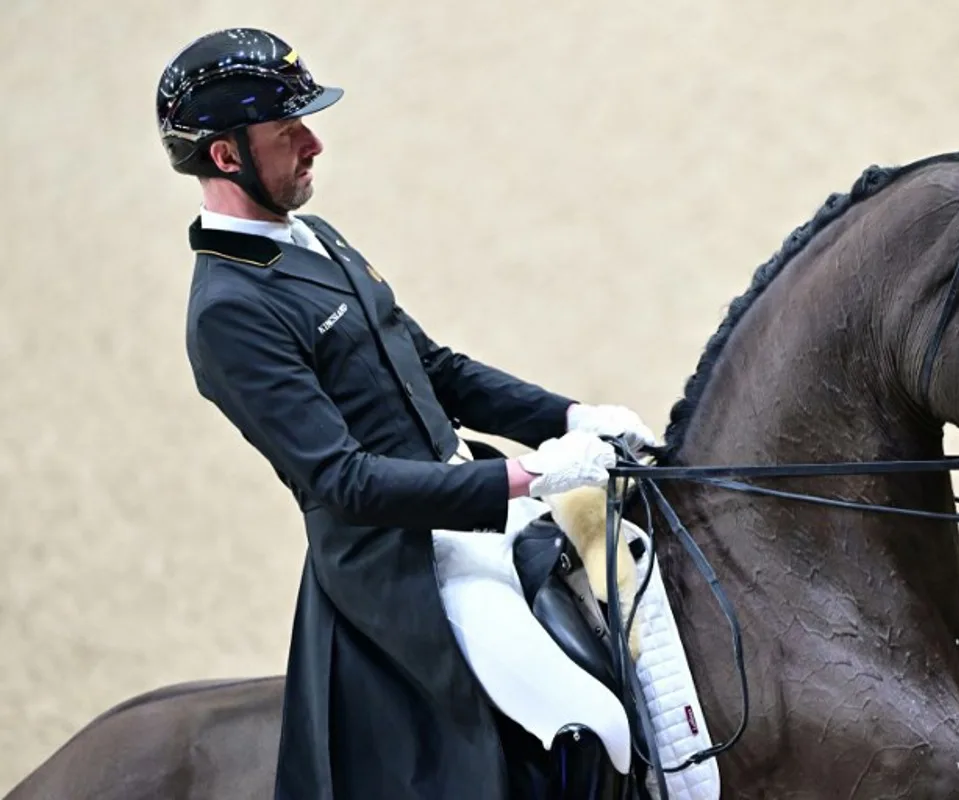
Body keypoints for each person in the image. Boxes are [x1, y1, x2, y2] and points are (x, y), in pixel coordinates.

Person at [158, 28, 656, 800]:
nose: (314, 143)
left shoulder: (312, 239)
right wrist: (530, 477)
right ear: (227, 157)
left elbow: (435, 367)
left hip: (472, 495)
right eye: (289, 132)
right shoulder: (229, 311)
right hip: (406, 563)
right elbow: (345, 481)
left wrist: (570, 416)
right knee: (588, 722)